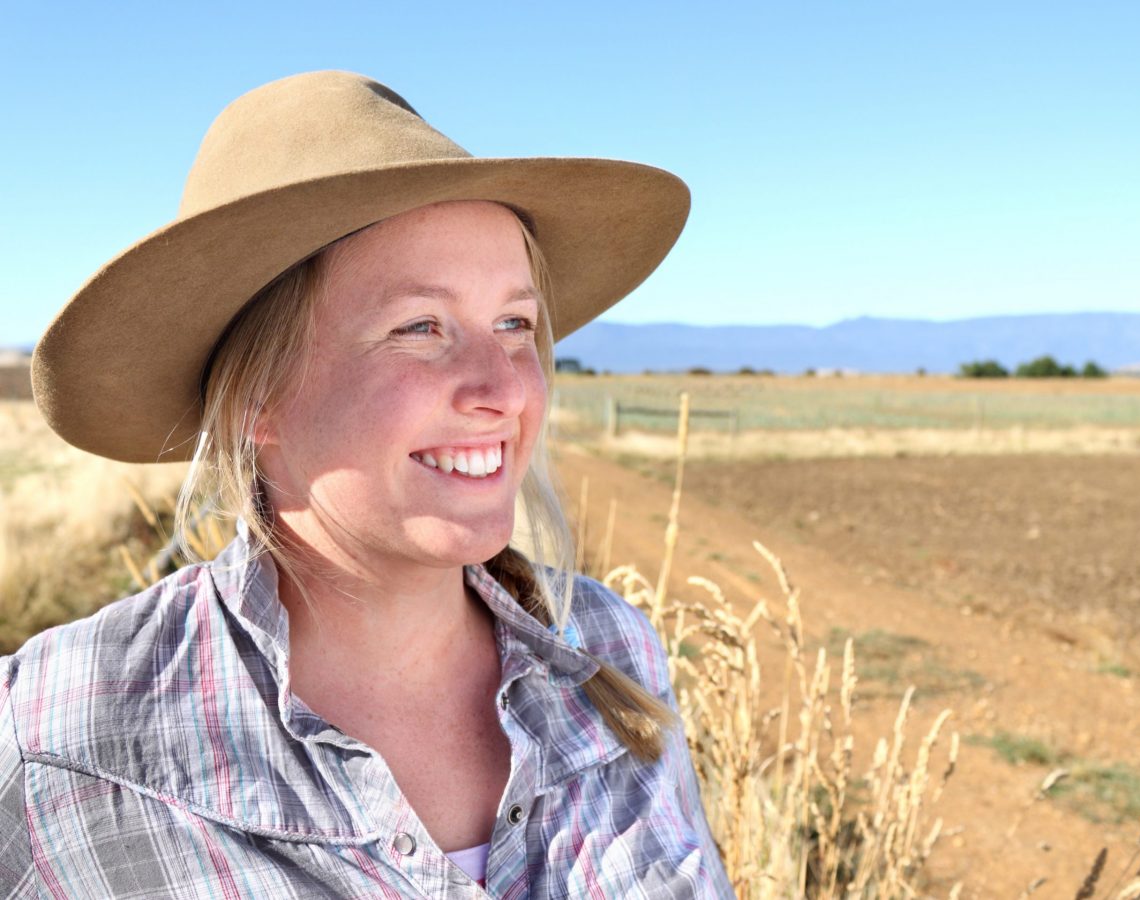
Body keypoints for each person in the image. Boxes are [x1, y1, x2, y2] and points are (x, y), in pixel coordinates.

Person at [0, 71, 734, 898]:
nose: (503, 388)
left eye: (514, 324)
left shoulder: (607, 650)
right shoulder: (61, 735)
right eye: (420, 327)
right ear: (256, 398)